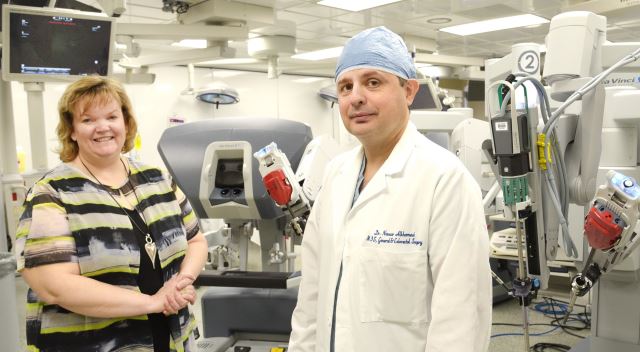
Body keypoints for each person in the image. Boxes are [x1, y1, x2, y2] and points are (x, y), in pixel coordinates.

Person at [288, 27, 492, 352]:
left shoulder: (444, 180)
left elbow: (461, 320)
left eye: (373, 82)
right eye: (345, 87)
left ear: (409, 91)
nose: (356, 97)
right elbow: (311, 297)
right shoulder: (335, 176)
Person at [14, 76, 208, 352]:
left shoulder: (156, 179)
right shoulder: (52, 194)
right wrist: (153, 302)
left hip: (172, 339)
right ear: (71, 130)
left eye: (111, 116)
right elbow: (54, 286)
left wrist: (182, 282)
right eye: (88, 120)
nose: (103, 127)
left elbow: (196, 240)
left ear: (126, 123)